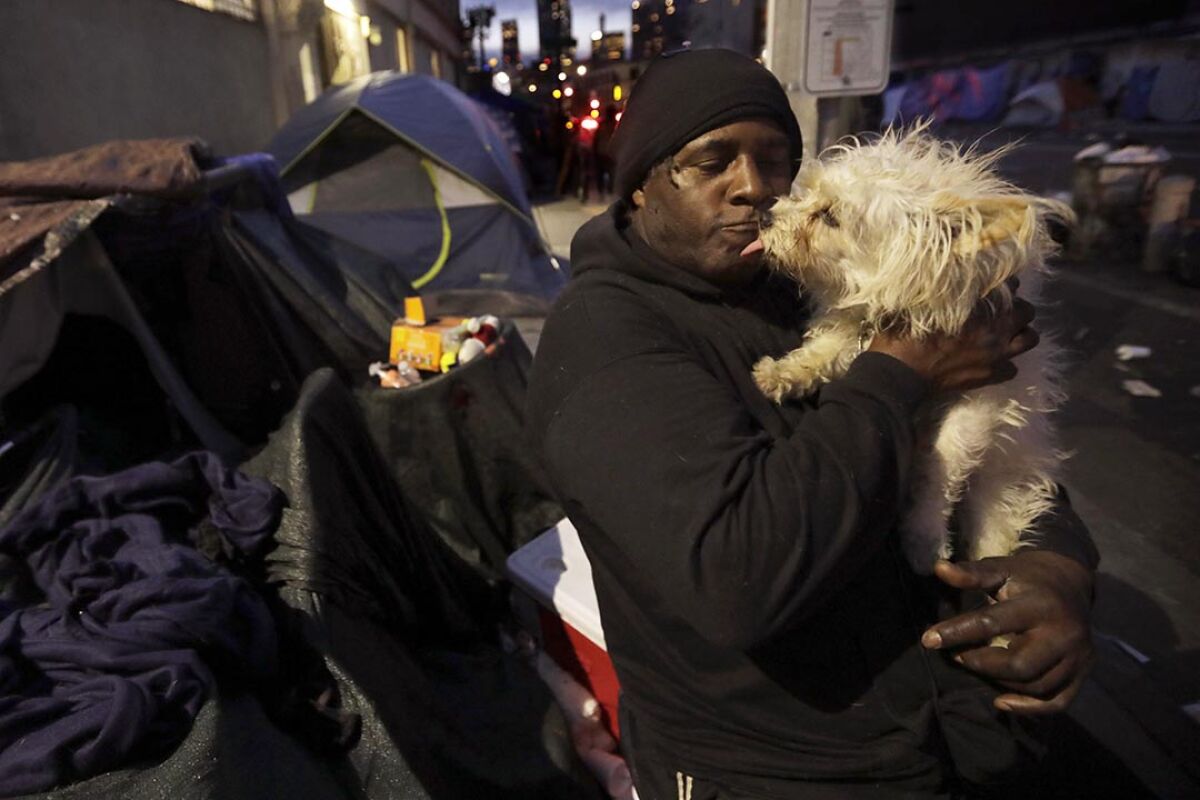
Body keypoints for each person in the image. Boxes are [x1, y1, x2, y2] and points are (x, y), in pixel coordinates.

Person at [527, 49, 1100, 799]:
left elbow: (1005, 433)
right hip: (784, 773)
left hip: (956, 739)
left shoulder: (810, 276)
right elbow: (738, 579)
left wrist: (1057, 571)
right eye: (711, 162)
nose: (754, 190)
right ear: (641, 185)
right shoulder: (607, 340)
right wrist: (902, 370)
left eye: (775, 162)